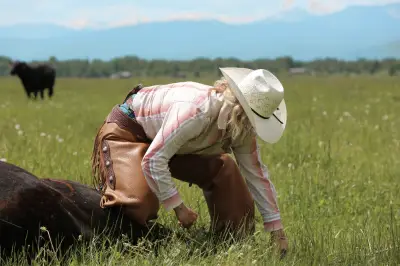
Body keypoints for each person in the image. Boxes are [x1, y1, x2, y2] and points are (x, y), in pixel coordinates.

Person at [91, 67, 289, 255]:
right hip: (130, 133)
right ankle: (137, 242)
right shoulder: (196, 111)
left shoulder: (240, 127)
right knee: (138, 204)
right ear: (240, 111)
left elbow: (257, 177)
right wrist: (179, 208)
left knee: (225, 169)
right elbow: (153, 160)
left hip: (167, 143)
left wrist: (276, 230)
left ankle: (231, 242)